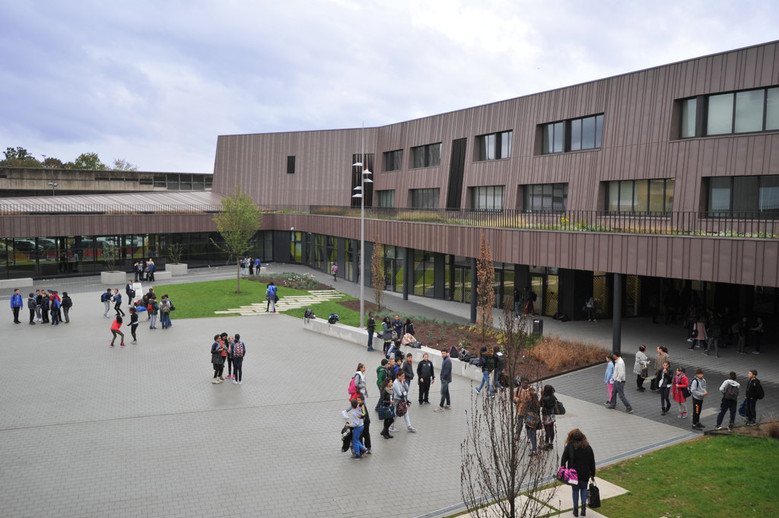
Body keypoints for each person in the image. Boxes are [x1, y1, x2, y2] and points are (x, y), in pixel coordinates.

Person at [560, 429, 596, 517]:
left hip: (573, 474)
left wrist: (563, 469)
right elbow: (592, 462)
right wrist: (592, 474)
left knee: (575, 490)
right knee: (584, 489)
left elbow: (563, 459)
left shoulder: (570, 447)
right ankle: (583, 508)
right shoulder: (588, 447)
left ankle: (575, 510)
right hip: (585, 473)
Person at [540, 385, 557, 451]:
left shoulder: (544, 398)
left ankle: (546, 444)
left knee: (547, 430)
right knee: (551, 428)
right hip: (552, 414)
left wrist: (542, 395)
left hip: (546, 415)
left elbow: (540, 404)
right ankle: (551, 443)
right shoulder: (553, 397)